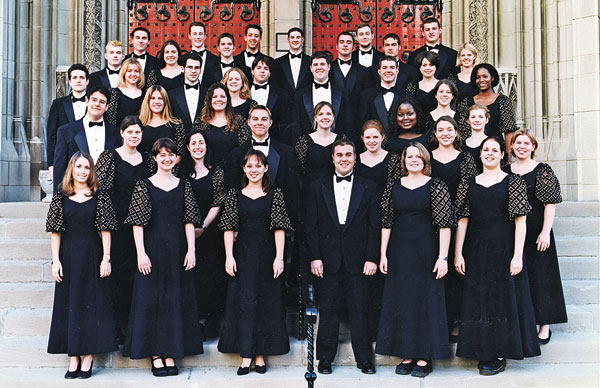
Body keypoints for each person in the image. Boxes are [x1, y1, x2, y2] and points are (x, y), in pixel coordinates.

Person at [454, 136, 540, 375]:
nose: (490, 153)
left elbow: (520, 221)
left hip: (504, 248)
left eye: (495, 150)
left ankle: (500, 351)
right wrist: (458, 252)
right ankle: (483, 350)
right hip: (476, 249)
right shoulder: (468, 183)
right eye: (486, 150)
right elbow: (462, 220)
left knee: (502, 300)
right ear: (480, 154)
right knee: (480, 300)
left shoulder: (513, 182)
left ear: (503, 155)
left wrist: (517, 255)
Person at [123, 137, 204, 377]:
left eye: (171, 155)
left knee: (173, 301)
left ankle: (170, 352)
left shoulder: (183, 185)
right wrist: (141, 253)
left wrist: (191, 249)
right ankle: (156, 355)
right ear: (155, 158)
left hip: (178, 251)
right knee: (152, 300)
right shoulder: (144, 184)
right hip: (152, 251)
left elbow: (189, 221)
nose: (167, 159)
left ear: (176, 158)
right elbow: (137, 223)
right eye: (162, 155)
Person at [377, 143, 454, 377]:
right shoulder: (393, 186)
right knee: (403, 300)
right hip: (400, 251)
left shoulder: (437, 186)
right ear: (404, 160)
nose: (413, 160)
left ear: (425, 160)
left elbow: (445, 225)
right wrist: (383, 254)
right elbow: (386, 222)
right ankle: (407, 353)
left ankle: (424, 356)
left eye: (418, 156)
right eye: (409, 156)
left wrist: (443, 257)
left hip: (427, 251)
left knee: (425, 300)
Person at [306, 138, 379, 375]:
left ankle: (365, 359)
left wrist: (371, 257)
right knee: (328, 310)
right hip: (327, 260)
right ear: (333, 158)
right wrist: (315, 256)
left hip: (359, 260)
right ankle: (325, 359)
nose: (344, 159)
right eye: (340, 155)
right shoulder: (318, 186)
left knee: (360, 309)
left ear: (355, 158)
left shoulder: (368, 187)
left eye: (349, 154)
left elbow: (374, 226)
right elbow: (312, 226)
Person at [218, 149, 293, 375]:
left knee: (265, 303)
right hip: (242, 256)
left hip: (268, 256)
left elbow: (279, 228)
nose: (254, 170)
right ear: (244, 169)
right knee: (244, 303)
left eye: (258, 166)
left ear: (266, 168)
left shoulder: (275, 194)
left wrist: (279, 257)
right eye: (249, 166)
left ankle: (260, 355)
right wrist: (229, 256)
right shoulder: (235, 194)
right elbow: (228, 228)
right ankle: (246, 355)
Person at [46, 151, 118, 379]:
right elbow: (56, 232)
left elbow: (105, 231)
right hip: (68, 257)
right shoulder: (61, 196)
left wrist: (106, 258)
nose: (82, 171)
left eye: (87, 167)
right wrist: (56, 261)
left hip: (92, 255)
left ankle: (88, 356)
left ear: (91, 171)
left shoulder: (100, 196)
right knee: (70, 304)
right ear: (71, 169)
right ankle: (73, 356)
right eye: (78, 167)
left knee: (91, 304)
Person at [96, 116, 154, 344]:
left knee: (140, 276)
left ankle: (136, 328)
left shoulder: (148, 160)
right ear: (122, 133)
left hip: (144, 226)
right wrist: (105, 225)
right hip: (117, 226)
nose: (134, 136)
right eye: (130, 132)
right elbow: (101, 193)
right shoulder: (109, 157)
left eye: (138, 132)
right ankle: (119, 328)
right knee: (119, 277)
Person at [507, 129, 567, 344]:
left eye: (526, 143)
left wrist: (545, 231)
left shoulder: (542, 170)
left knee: (542, 276)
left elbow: (550, 203)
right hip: (513, 232)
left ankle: (544, 325)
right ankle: (525, 322)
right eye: (518, 143)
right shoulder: (506, 171)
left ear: (533, 147)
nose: (522, 146)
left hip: (537, 231)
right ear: (512, 146)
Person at [429, 116, 478, 342]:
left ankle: (456, 323)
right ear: (435, 134)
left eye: (450, 129)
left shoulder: (466, 159)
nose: (445, 133)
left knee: (457, 273)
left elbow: (468, 190)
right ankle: (438, 323)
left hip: (459, 221)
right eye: (441, 130)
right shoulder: (427, 157)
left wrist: (456, 214)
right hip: (430, 223)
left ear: (457, 133)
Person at [355, 120, 401, 339]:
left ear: (383, 137)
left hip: (386, 219)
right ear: (362, 139)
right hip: (360, 221)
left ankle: (384, 328)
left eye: (376, 137)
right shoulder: (355, 160)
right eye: (368, 137)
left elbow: (394, 189)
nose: (372, 141)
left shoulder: (392, 159)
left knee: (384, 273)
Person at [179, 130, 227, 337]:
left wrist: (203, 227)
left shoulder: (216, 172)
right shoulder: (179, 172)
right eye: (193, 143)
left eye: (201, 143)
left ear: (206, 146)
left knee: (211, 276)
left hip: (209, 232)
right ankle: (192, 324)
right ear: (188, 147)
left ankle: (211, 322)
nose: (198, 147)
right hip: (184, 232)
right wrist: (191, 229)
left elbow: (218, 201)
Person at [228, 105, 299, 224]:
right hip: (247, 222)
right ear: (249, 122)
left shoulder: (286, 152)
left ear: (270, 123)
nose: (259, 123)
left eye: (264, 119)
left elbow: (292, 191)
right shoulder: (236, 154)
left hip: (278, 222)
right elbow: (233, 191)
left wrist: (288, 224)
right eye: (255, 119)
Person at [53, 86, 120, 190]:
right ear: (86, 101)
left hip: (107, 196)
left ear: (107, 107)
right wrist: (58, 201)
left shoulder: (116, 133)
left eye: (102, 102)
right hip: (76, 193)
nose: (97, 104)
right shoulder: (65, 131)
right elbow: (59, 169)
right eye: (94, 100)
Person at [458, 63, 518, 150]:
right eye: (478, 77)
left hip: (495, 149)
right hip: (472, 149)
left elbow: (509, 130)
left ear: (492, 78)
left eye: (485, 76)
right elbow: (463, 131)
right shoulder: (466, 102)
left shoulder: (503, 100)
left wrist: (509, 156)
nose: (481, 80)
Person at [296, 51, 352, 143]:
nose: (319, 68)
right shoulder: (300, 94)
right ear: (311, 68)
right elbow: (297, 126)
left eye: (322, 64)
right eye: (315, 65)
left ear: (329, 66)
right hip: (309, 147)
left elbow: (348, 124)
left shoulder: (342, 93)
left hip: (338, 146)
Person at [47, 64, 89, 182]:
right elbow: (51, 136)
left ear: (87, 81)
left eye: (81, 77)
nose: (78, 81)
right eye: (74, 78)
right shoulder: (58, 104)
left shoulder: (95, 104)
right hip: (64, 159)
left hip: (88, 159)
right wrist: (51, 164)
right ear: (69, 82)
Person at [197, 82, 251, 169]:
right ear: (209, 100)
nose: (219, 99)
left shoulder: (239, 122)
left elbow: (246, 149)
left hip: (234, 173)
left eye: (222, 96)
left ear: (228, 99)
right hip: (206, 173)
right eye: (214, 97)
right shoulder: (200, 123)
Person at [249, 55, 295, 145]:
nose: (262, 71)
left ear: (270, 73)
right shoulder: (244, 93)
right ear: (252, 71)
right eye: (258, 68)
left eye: (266, 68)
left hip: (274, 142)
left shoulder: (282, 95)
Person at [358, 56, 408, 135]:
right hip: (374, 143)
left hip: (399, 143)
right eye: (384, 68)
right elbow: (362, 123)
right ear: (379, 71)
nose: (388, 71)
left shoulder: (406, 96)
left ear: (397, 71)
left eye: (392, 67)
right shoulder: (366, 96)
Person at [138, 85, 184, 155]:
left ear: (165, 101)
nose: (156, 102)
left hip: (168, 164)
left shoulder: (176, 125)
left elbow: (179, 155)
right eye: (152, 98)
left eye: (160, 98)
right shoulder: (138, 124)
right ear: (147, 101)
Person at [168, 52, 208, 131]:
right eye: (190, 67)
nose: (193, 71)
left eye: (196, 67)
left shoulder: (208, 93)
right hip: (179, 141)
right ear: (183, 69)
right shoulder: (172, 95)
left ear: (200, 70)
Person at [330, 31, 369, 109]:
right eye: (342, 42)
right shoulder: (328, 69)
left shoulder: (363, 71)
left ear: (353, 47)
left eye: (349, 42)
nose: (345, 45)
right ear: (337, 46)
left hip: (357, 117)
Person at [106, 58, 145, 127]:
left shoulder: (145, 94)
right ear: (124, 73)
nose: (133, 74)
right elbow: (110, 121)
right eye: (129, 71)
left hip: (141, 135)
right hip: (118, 135)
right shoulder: (114, 93)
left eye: (136, 71)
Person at [273, 27, 312, 94]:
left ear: (302, 40)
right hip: (284, 102)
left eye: (298, 37)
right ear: (288, 40)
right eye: (292, 37)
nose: (295, 40)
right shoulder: (277, 62)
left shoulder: (310, 61)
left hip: (305, 102)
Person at [187, 21, 220, 87]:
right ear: (189, 36)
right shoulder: (183, 59)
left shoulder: (215, 59)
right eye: (194, 34)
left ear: (205, 36)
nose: (198, 37)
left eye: (200, 34)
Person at [462, 104, 490, 173]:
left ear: (486, 120)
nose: (477, 120)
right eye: (473, 117)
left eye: (480, 117)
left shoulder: (492, 143)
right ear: (468, 121)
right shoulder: (461, 145)